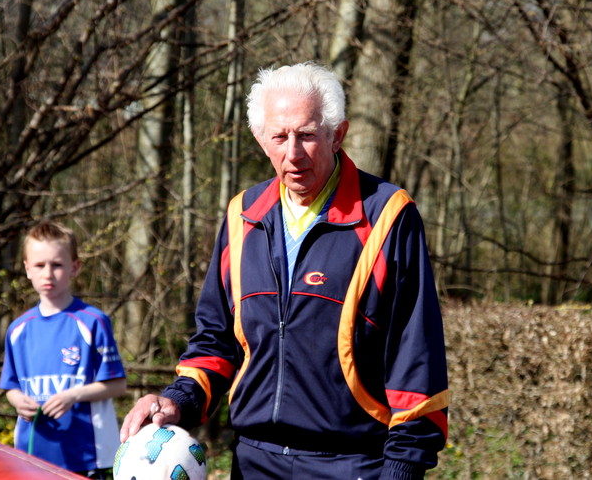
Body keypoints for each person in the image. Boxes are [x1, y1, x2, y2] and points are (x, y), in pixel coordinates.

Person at [120, 62, 449, 479]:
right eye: (279, 137)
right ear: (261, 140)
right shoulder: (243, 216)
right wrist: (178, 400)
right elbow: (215, 340)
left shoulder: (388, 215)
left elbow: (416, 362)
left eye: (307, 135)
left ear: (337, 135)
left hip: (353, 463)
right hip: (253, 462)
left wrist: (402, 469)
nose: (292, 153)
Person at [0, 221, 127, 479]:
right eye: (39, 265)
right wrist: (18, 401)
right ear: (27, 269)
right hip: (30, 456)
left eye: (56, 265)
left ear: (74, 267)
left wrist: (73, 395)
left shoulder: (93, 321)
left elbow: (117, 385)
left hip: (86, 456)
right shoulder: (18, 329)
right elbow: (10, 386)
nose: (48, 273)